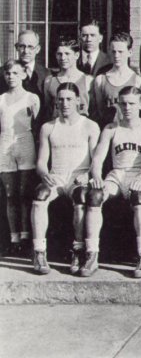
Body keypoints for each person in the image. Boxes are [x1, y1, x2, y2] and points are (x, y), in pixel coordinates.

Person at [84, 87, 141, 278]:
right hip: (117, 175)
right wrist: (97, 176)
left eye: (132, 103)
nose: (127, 107)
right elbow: (98, 159)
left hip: (139, 174)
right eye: (123, 103)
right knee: (94, 196)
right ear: (118, 104)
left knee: (139, 198)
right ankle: (91, 254)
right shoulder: (111, 129)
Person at [30, 82, 100, 275]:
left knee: (82, 197)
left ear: (78, 100)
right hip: (58, 177)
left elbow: (97, 160)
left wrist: (88, 174)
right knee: (41, 195)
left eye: (69, 99)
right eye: (60, 99)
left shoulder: (89, 126)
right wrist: (46, 174)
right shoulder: (48, 127)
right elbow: (41, 163)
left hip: (79, 178)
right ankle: (39, 252)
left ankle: (78, 250)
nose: (65, 103)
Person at [0, 60, 40, 255]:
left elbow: (37, 124)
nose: (11, 77)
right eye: (8, 73)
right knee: (10, 194)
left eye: (16, 73)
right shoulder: (0, 99)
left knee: (25, 193)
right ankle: (13, 237)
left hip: (26, 143)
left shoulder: (32, 98)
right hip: (5, 144)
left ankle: (25, 237)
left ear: (24, 74)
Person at [91, 33, 141, 128]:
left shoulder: (138, 81)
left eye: (120, 52)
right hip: (108, 130)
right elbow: (100, 111)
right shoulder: (100, 80)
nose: (116, 55)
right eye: (113, 51)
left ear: (130, 52)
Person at [43, 39, 92, 120]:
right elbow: (48, 110)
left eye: (67, 54)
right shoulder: (49, 81)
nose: (63, 58)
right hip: (57, 127)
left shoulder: (88, 80)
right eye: (59, 54)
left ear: (76, 55)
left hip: (80, 129)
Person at [0, 29, 50, 98]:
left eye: (30, 47)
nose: (26, 51)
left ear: (38, 49)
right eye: (22, 46)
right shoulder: (2, 72)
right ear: (16, 47)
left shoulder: (47, 75)